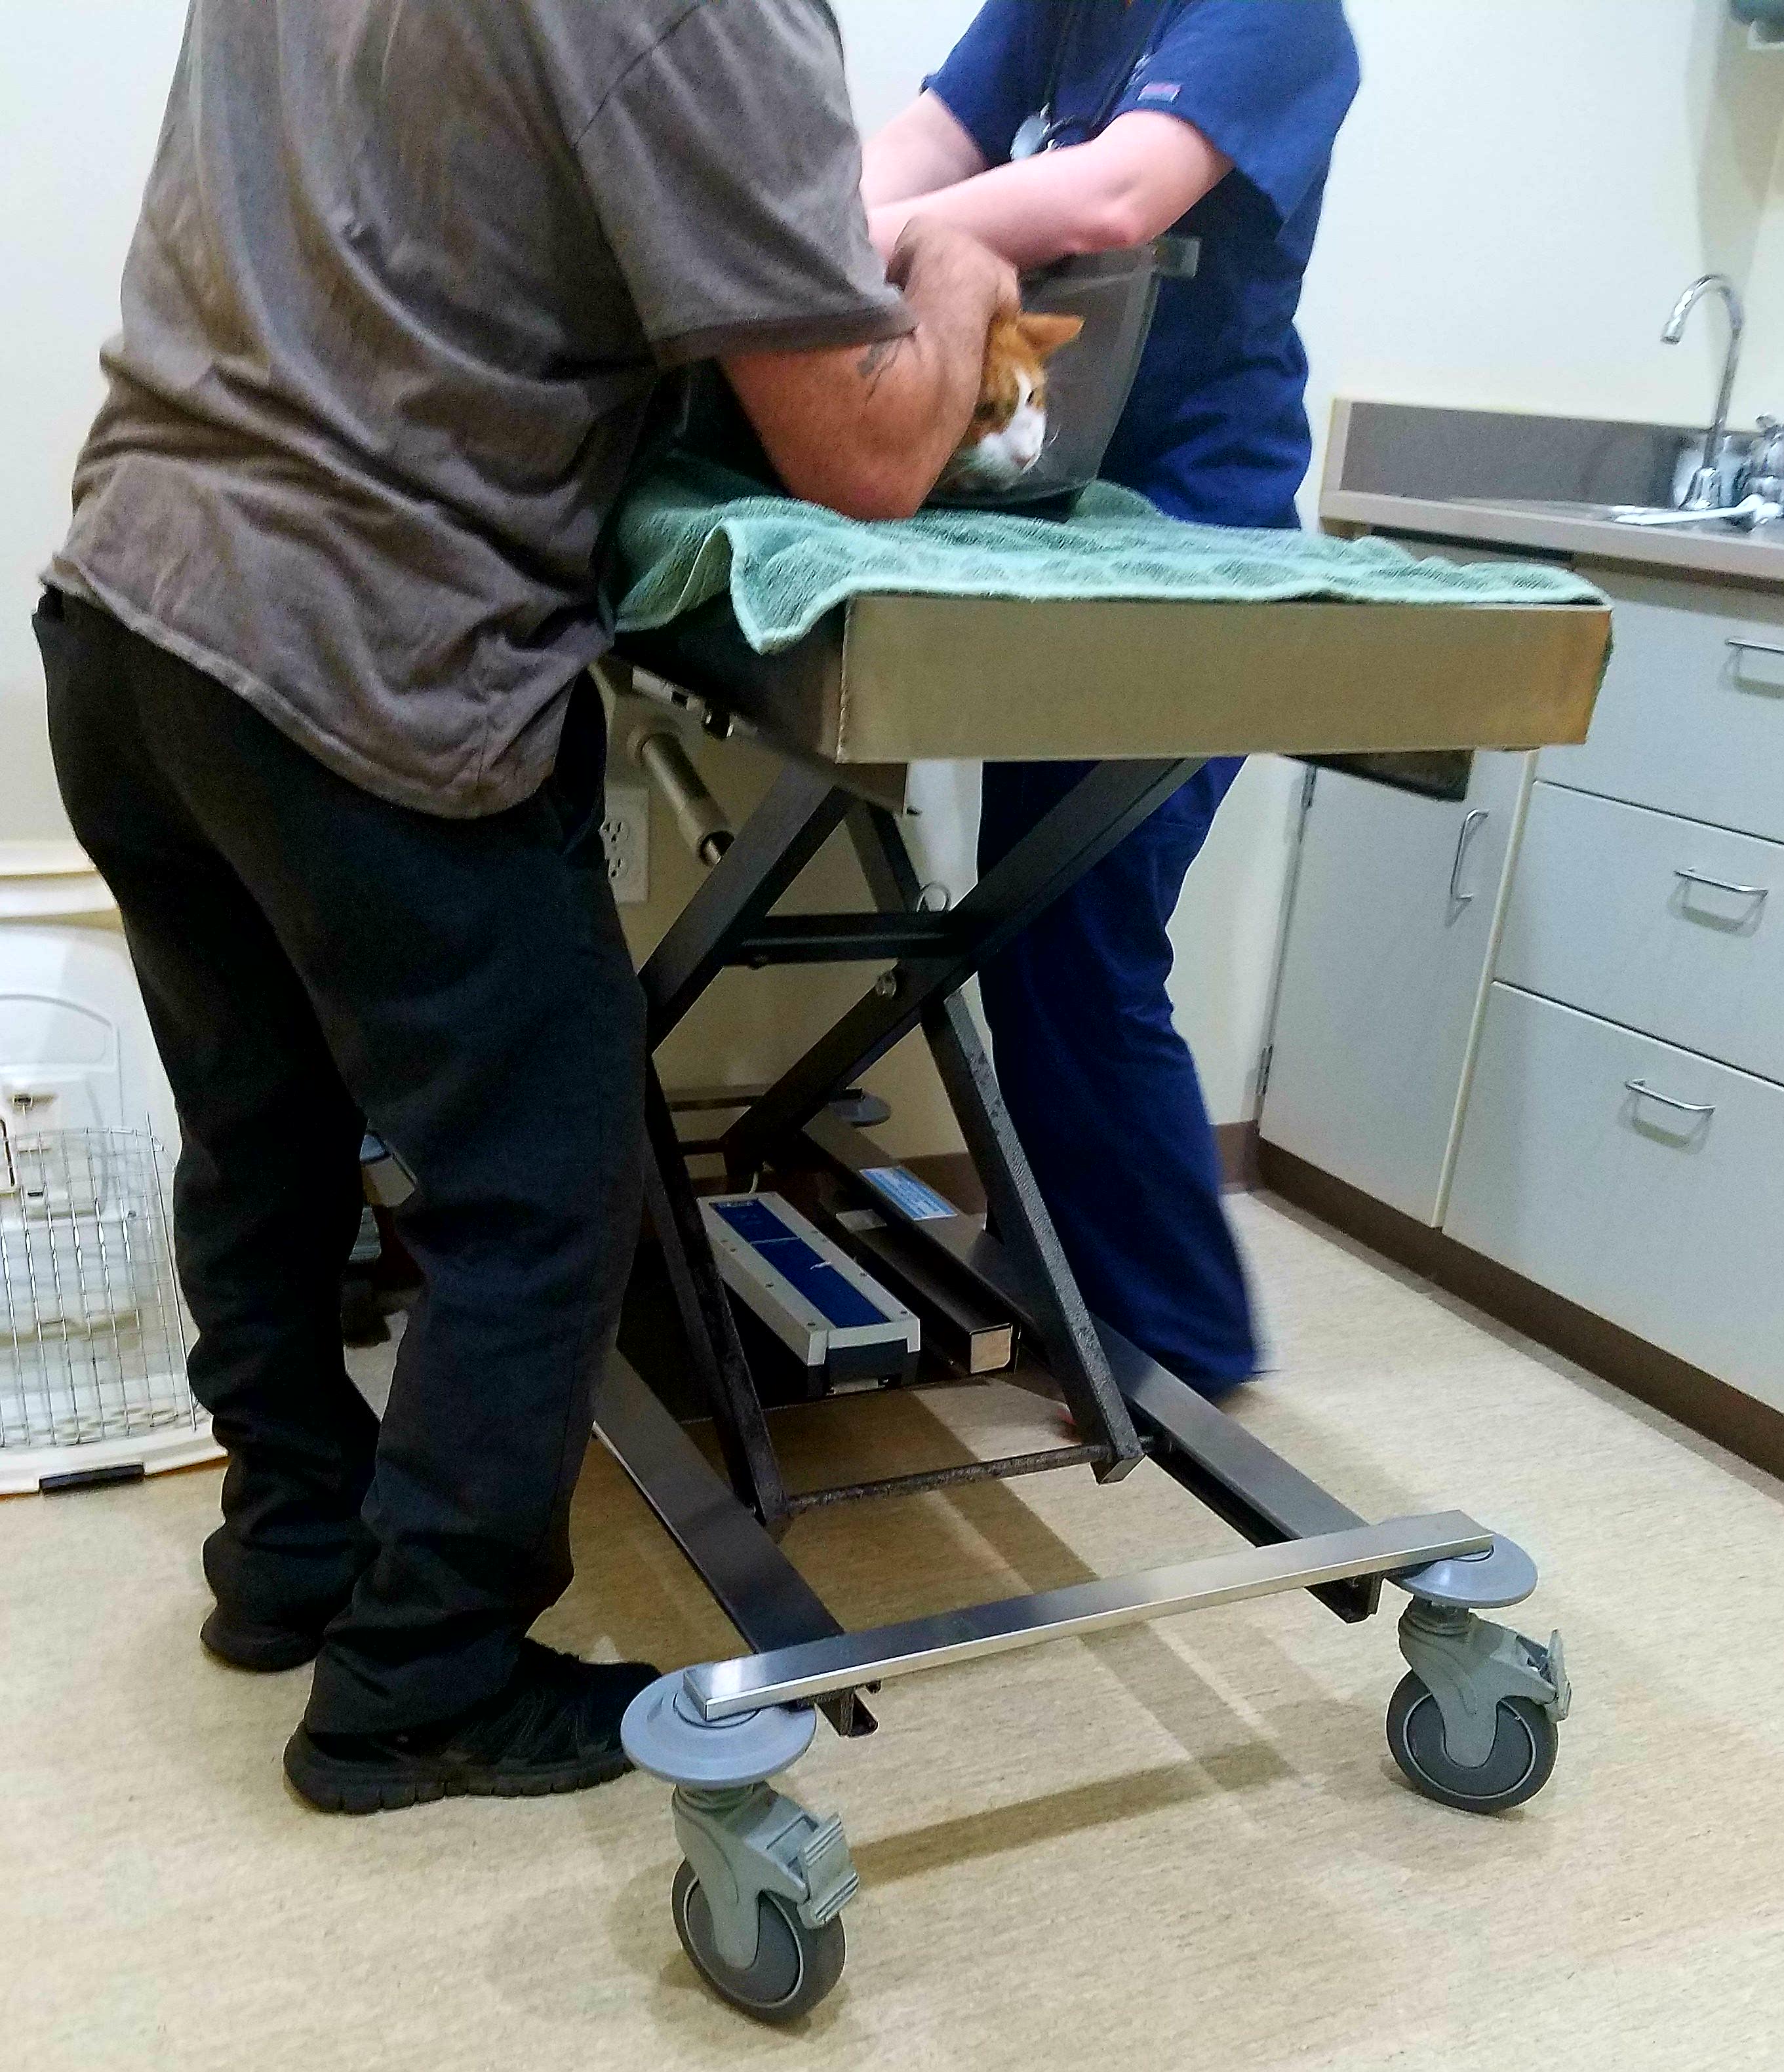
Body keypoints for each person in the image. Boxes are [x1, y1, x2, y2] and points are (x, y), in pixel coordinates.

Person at [35, 0, 1016, 1816]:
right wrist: (955, 273)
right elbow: (865, 451)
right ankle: (423, 1687)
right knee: (544, 1186)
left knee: (263, 1134)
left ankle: (291, 1558)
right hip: (362, 651)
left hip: (132, 616)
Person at [862, 0, 1359, 1397]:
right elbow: (917, 142)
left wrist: (870, 241)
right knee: (1029, 930)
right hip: (1060, 522)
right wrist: (826, 229)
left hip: (1193, 544)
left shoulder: (1275, 16)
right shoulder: (1051, 10)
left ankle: (1183, 1335)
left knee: (1081, 932)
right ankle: (1067, 1273)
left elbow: (1115, 194)